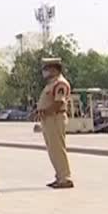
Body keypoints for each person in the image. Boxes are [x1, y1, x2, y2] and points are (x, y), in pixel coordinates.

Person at [37, 57, 74, 189]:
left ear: (55, 69)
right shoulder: (51, 84)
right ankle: (59, 176)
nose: (45, 71)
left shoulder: (60, 83)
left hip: (55, 118)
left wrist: (45, 111)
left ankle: (65, 178)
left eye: (47, 68)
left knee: (58, 149)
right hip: (48, 119)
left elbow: (59, 102)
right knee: (53, 150)